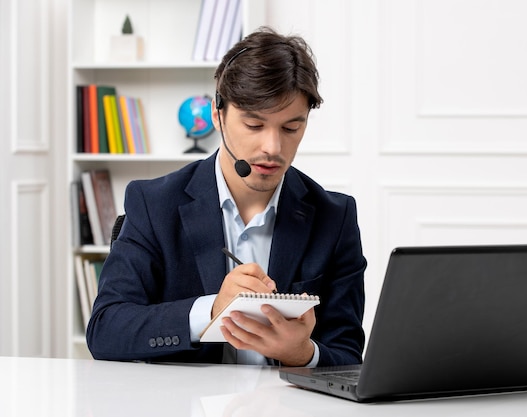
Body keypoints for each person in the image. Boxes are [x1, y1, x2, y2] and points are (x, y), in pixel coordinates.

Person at [86, 27, 367, 367]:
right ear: (218, 116)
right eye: (254, 125)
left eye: (291, 128)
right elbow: (106, 330)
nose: (273, 148)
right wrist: (211, 310)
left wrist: (301, 354)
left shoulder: (334, 217)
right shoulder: (153, 203)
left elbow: (348, 353)